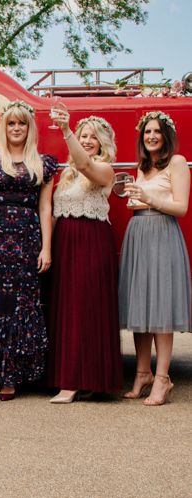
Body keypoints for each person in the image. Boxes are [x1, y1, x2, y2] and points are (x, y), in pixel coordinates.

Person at [0, 100, 57, 400]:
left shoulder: (43, 162)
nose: (16, 128)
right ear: (4, 128)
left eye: (22, 124)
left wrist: (46, 247)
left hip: (26, 239)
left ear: (30, 129)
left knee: (19, 306)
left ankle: (12, 376)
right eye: (11, 124)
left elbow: (46, 207)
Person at [48, 113, 123, 403]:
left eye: (93, 136)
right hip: (66, 240)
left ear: (103, 143)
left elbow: (85, 163)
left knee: (85, 307)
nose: (87, 141)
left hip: (92, 241)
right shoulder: (66, 174)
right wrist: (48, 248)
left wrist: (66, 128)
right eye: (84, 136)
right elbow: (55, 212)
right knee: (67, 307)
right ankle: (78, 377)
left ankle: (74, 382)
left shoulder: (104, 168)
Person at [118, 111, 191, 406]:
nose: (151, 136)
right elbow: (141, 200)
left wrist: (148, 199)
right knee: (140, 306)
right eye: (147, 132)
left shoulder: (177, 162)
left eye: (156, 132)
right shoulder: (142, 166)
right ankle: (142, 373)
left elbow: (181, 207)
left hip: (163, 233)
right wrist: (132, 198)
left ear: (166, 135)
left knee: (160, 307)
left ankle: (163, 379)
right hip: (138, 232)